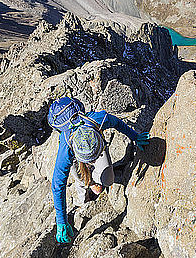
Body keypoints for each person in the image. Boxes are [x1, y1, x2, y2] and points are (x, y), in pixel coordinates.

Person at [47, 96, 150, 244]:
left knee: (107, 179)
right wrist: (61, 221)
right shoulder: (66, 148)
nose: (93, 162)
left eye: (95, 158)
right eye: (91, 160)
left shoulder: (99, 119)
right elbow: (57, 185)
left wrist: (135, 137)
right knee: (80, 176)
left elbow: (117, 123)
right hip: (76, 151)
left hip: (91, 142)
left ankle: (94, 176)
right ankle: (86, 186)